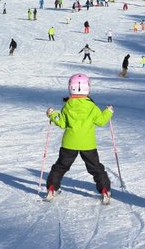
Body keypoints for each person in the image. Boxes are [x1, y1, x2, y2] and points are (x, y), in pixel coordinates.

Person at [44, 73, 114, 204]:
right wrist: (108, 112)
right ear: (88, 88)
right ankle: (105, 190)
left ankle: (52, 187)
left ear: (70, 87)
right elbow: (100, 121)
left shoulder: (68, 106)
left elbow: (62, 122)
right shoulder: (91, 106)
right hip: (88, 144)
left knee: (60, 167)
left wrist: (53, 115)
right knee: (96, 168)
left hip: (69, 144)